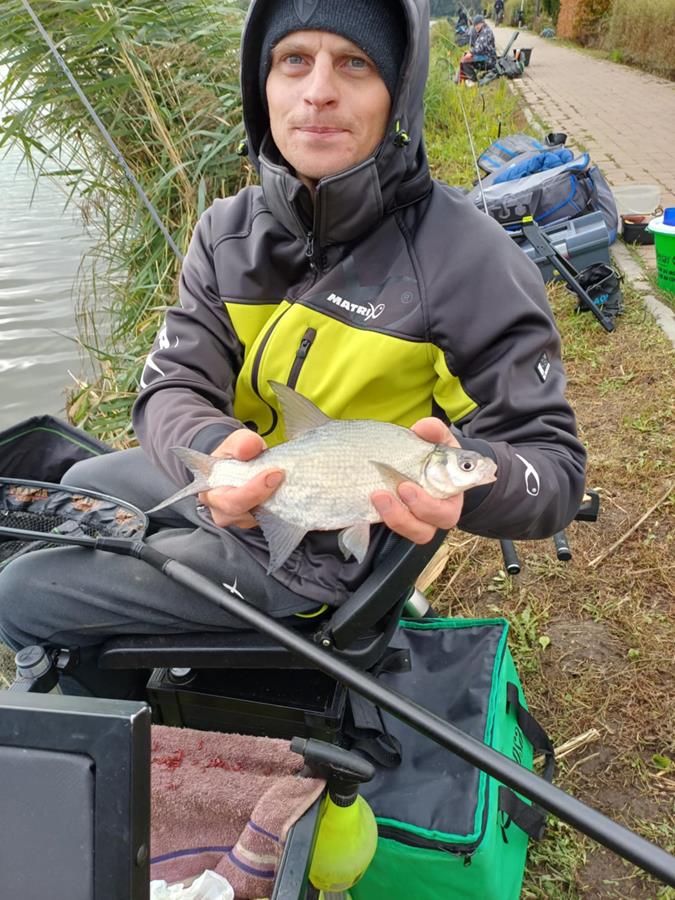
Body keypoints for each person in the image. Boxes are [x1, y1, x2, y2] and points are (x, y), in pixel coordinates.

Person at [0, 0, 586, 698]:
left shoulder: (470, 262)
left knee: (20, 591)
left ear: (397, 93)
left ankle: (127, 706)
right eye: (293, 61)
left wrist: (474, 484)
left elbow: (555, 471)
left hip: (326, 553)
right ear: (264, 86)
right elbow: (170, 386)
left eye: (355, 63)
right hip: (254, 482)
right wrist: (218, 451)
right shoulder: (226, 232)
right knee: (75, 484)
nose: (318, 92)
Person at [459, 14, 498, 85]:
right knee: (465, 56)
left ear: (482, 23)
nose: (476, 27)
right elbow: (478, 47)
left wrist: (470, 53)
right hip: (484, 56)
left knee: (465, 60)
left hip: (489, 59)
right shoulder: (482, 31)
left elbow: (479, 48)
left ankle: (474, 81)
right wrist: (469, 53)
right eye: (475, 25)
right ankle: (463, 79)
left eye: (477, 24)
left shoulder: (486, 31)